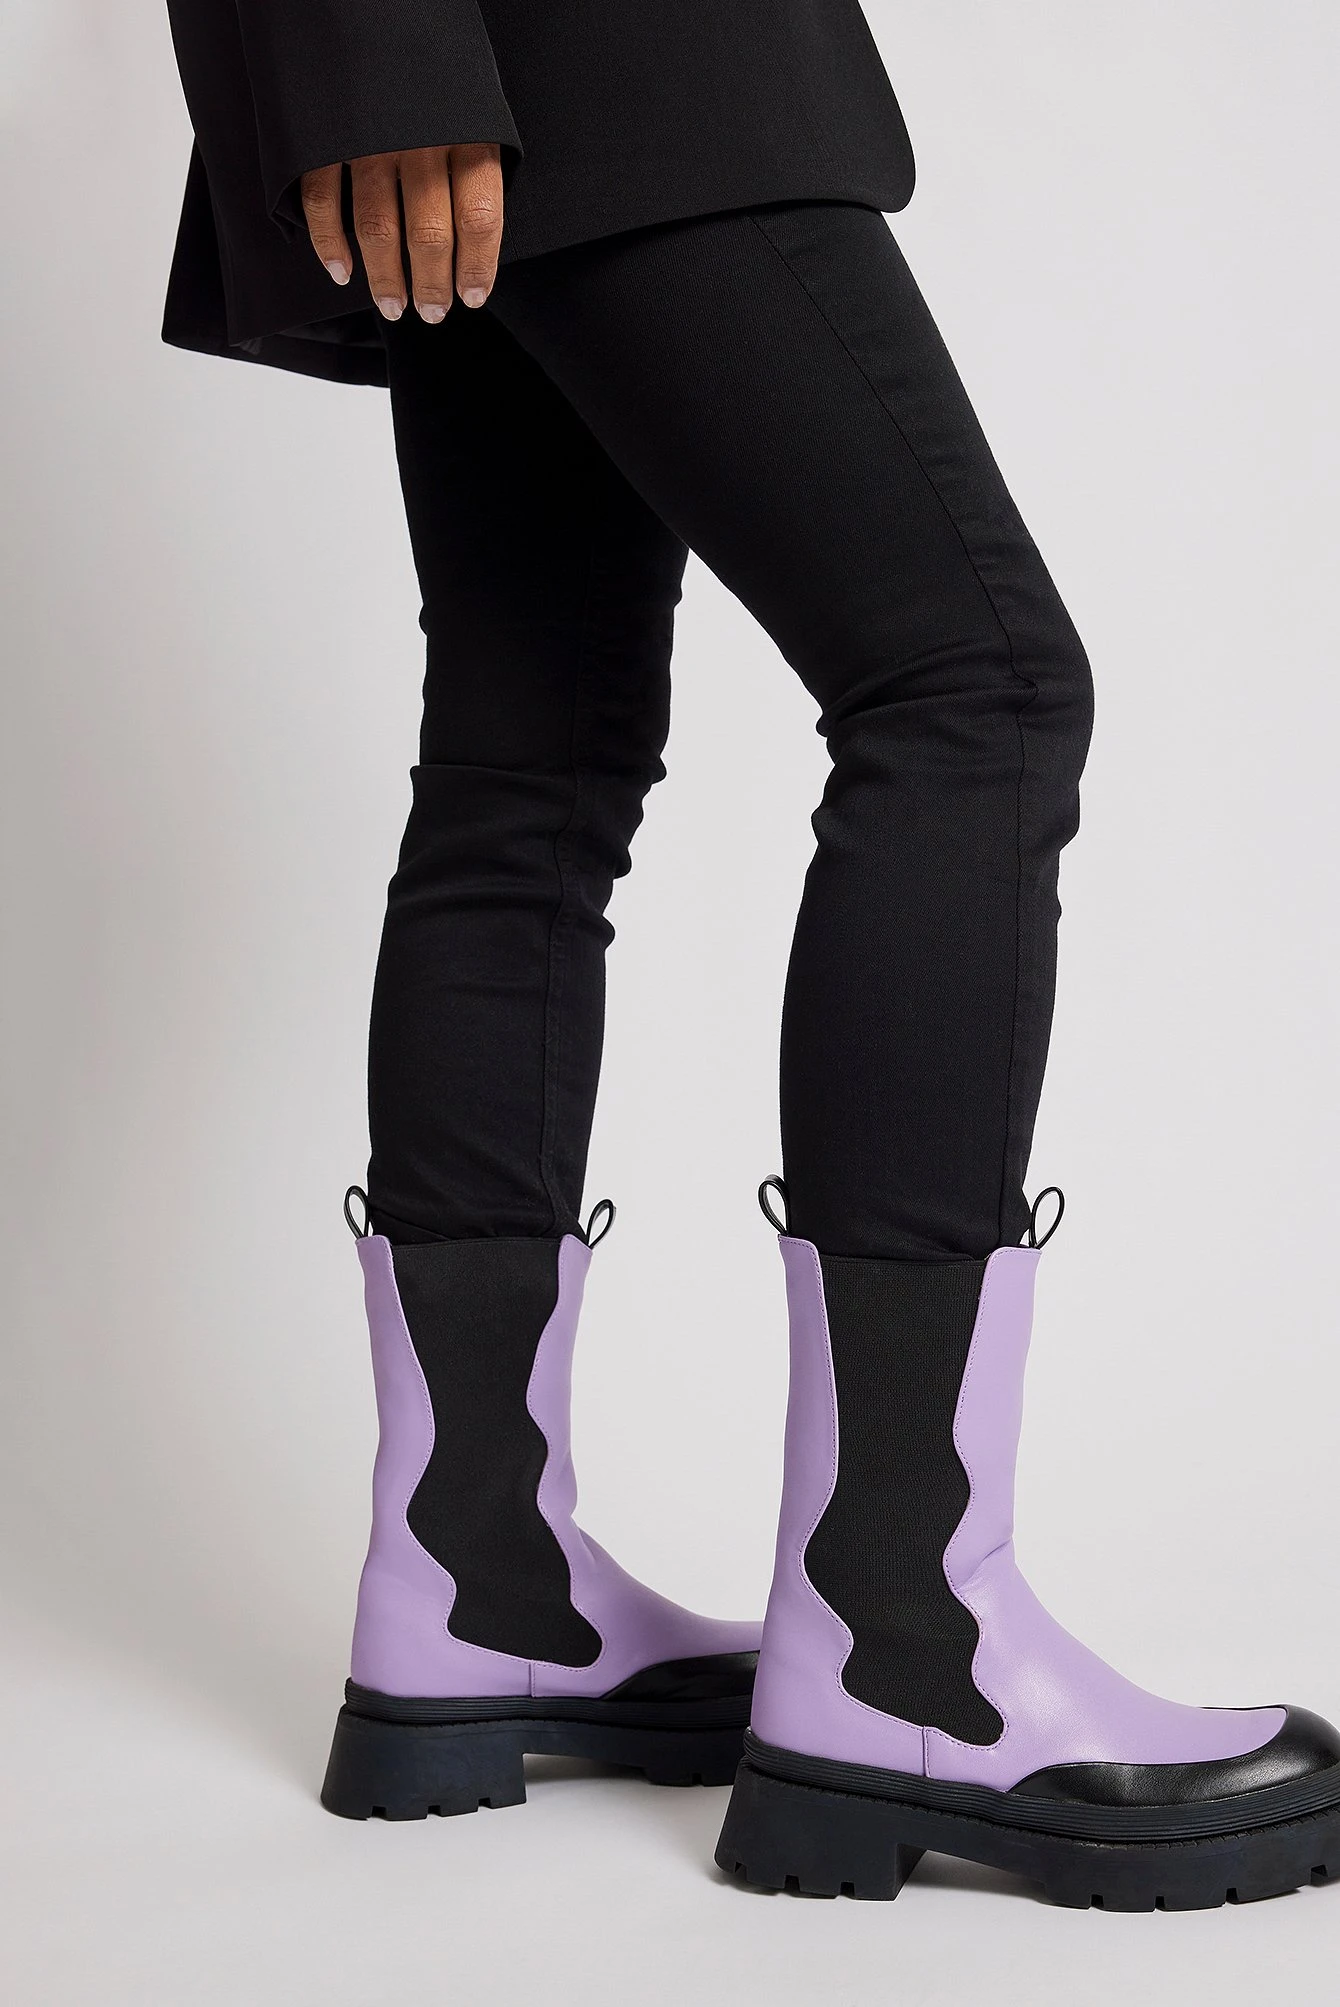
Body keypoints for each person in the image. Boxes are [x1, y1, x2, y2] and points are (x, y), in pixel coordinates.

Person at [162, 1, 1339, 1909]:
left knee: (530, 759)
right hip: (577, 46)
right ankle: (901, 1635)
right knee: (973, 687)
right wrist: (374, 46)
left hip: (484, 58)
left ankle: (481, 1580)